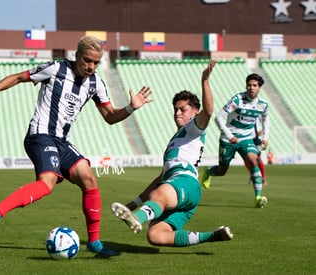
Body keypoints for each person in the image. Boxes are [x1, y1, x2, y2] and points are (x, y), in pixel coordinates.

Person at [0, 36, 152, 256]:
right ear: (77, 55)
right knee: (47, 183)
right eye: (87, 60)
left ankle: (94, 242)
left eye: (95, 62)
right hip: (40, 135)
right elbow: (18, 77)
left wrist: (131, 108)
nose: (91, 66)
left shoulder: (96, 84)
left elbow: (110, 117)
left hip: (62, 141)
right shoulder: (55, 69)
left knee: (89, 179)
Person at [112, 61, 233, 248]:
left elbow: (209, 112)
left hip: (185, 183)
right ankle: (213, 236)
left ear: (194, 113)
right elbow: (161, 178)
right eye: (175, 109)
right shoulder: (176, 140)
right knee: (156, 236)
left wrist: (205, 81)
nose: (177, 113)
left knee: (159, 193)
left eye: (182, 109)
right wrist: (134, 203)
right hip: (181, 192)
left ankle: (137, 219)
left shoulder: (194, 128)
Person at [200, 73, 270, 208]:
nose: (251, 88)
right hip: (228, 139)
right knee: (222, 170)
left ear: (259, 87)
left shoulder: (263, 105)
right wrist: (229, 135)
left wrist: (265, 138)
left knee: (253, 160)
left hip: (246, 139)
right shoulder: (237, 100)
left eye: (254, 85)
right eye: (249, 85)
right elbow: (218, 117)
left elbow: (266, 119)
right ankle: (209, 171)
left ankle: (258, 197)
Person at [244, 117, 267, 186]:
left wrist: (262, 130)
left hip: (256, 140)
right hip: (245, 138)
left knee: (258, 158)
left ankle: (263, 178)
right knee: (246, 160)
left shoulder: (257, 111)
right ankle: (253, 175)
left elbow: (265, 120)